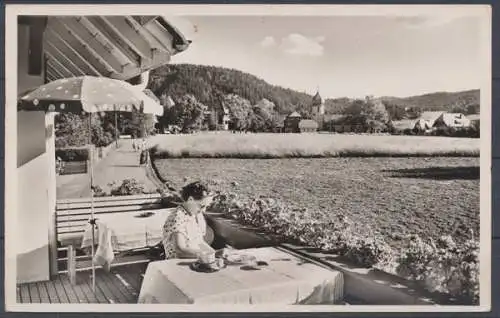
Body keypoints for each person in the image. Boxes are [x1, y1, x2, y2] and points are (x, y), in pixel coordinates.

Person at [162, 181, 216, 259]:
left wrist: (214, 254)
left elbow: (199, 242)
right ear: (190, 199)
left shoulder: (193, 214)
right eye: (202, 206)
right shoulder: (177, 218)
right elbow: (180, 251)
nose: (204, 210)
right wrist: (211, 255)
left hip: (194, 259)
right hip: (177, 264)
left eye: (206, 207)